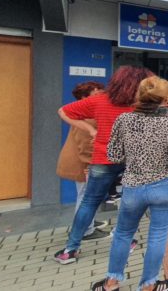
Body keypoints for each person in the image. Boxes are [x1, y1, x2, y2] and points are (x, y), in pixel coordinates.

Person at [54, 66, 168, 265]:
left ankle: (71, 248)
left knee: (89, 202)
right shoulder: (147, 106)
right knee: (129, 203)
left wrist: (91, 130)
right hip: (134, 161)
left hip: (103, 158)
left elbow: (64, 111)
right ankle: (127, 240)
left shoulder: (99, 101)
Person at [92, 76, 168, 291]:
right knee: (157, 235)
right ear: (166, 98)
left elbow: (114, 154)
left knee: (123, 233)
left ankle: (111, 283)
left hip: (133, 186)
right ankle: (149, 285)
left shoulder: (123, 121)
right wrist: (166, 168)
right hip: (165, 186)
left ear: (140, 95)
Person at [56, 81, 108, 239]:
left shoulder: (82, 113)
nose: (100, 97)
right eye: (96, 94)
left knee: (87, 195)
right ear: (85, 97)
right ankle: (85, 230)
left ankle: (88, 222)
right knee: (86, 196)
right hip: (84, 163)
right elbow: (86, 145)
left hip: (82, 161)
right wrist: (91, 164)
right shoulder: (87, 117)